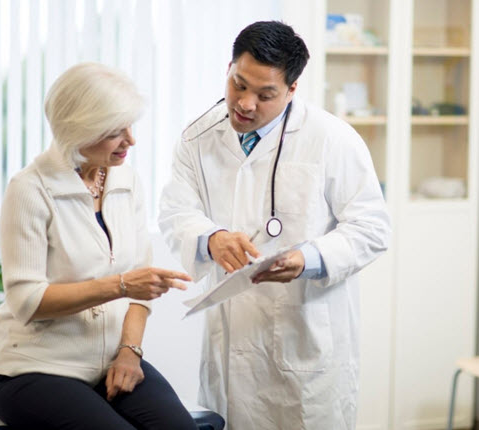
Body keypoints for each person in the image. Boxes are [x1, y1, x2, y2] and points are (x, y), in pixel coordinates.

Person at [159, 21, 391, 429]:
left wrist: (309, 258)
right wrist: (211, 239)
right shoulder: (197, 138)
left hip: (305, 341)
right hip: (230, 343)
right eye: (238, 84)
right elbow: (175, 210)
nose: (245, 104)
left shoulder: (331, 138)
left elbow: (371, 226)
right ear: (229, 67)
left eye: (265, 95)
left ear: (292, 89)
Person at [0, 62, 198, 430]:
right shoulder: (30, 190)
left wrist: (130, 353)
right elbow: (27, 301)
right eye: (116, 131)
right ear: (79, 129)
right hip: (33, 369)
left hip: (111, 363)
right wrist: (119, 285)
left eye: (130, 126)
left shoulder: (126, 181)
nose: (130, 140)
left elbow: (139, 292)